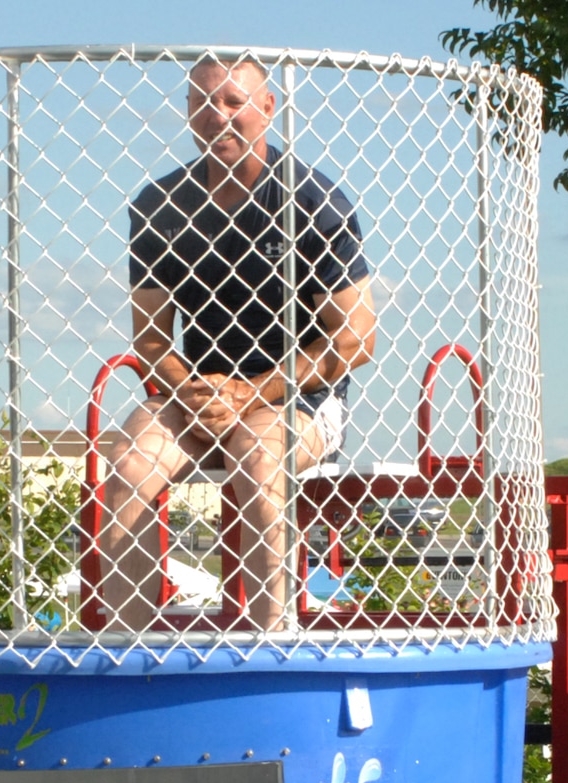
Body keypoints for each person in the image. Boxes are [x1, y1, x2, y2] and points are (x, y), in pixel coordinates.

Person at [100, 54, 377, 631]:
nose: (217, 115)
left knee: (257, 456)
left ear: (268, 108)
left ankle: (272, 644)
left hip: (297, 399)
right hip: (198, 394)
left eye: (233, 101)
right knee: (127, 461)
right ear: (187, 111)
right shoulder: (159, 206)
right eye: (203, 101)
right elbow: (150, 338)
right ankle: (127, 651)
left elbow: (355, 339)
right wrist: (194, 392)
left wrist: (249, 393)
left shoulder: (312, 203)